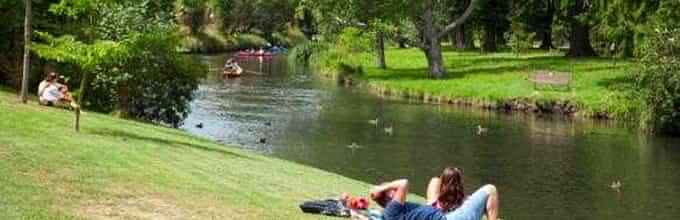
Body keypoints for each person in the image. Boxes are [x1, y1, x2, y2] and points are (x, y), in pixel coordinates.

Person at [370, 167, 499, 220]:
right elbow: (404, 183)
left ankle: (455, 203)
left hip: (439, 212)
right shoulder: (392, 209)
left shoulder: (391, 212)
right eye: (392, 189)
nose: (394, 188)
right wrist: (380, 188)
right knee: (490, 189)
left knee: (435, 180)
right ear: (390, 196)